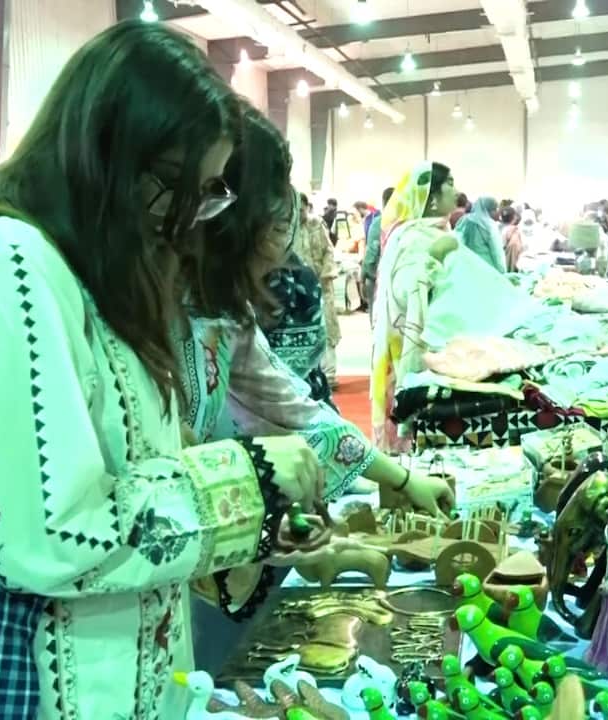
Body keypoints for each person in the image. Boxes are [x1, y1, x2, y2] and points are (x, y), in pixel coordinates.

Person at [0, 22, 334, 718]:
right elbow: (52, 538)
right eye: (190, 190)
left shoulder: (86, 279)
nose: (191, 222)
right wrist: (250, 478)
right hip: (7, 684)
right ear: (117, 164)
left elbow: (130, 476)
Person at [182, 107, 454, 670]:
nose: (281, 247)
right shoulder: (143, 310)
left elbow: (297, 405)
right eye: (274, 226)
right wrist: (260, 495)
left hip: (206, 566)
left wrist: (401, 476)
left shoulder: (220, 310)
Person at [371, 161, 459, 452]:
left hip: (444, 346)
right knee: (416, 441)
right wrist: (433, 261)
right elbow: (406, 292)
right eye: (450, 183)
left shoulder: (439, 232)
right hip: (419, 352)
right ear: (431, 197)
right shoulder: (414, 238)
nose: (456, 190)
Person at [294, 192, 341, 386]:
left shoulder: (317, 225)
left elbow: (329, 251)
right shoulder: (287, 228)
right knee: (304, 329)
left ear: (308, 208)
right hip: (298, 288)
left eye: (302, 210)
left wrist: (326, 275)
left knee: (327, 329)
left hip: (322, 285)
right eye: (295, 210)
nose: (299, 214)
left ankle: (329, 375)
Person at [361, 186, 395, 312]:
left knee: (376, 320)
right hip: (397, 279)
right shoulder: (406, 222)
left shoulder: (378, 222)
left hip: (377, 278)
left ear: (383, 202)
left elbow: (371, 254)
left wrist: (363, 276)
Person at [454, 194, 505, 273]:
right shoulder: (489, 225)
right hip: (486, 267)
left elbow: (457, 240)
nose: (497, 212)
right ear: (488, 210)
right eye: (495, 209)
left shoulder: (465, 220)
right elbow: (497, 252)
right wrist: (502, 272)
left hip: (467, 265)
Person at [501, 205, 522, 271]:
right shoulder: (516, 231)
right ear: (514, 217)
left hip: (500, 263)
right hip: (513, 265)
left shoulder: (495, 227)